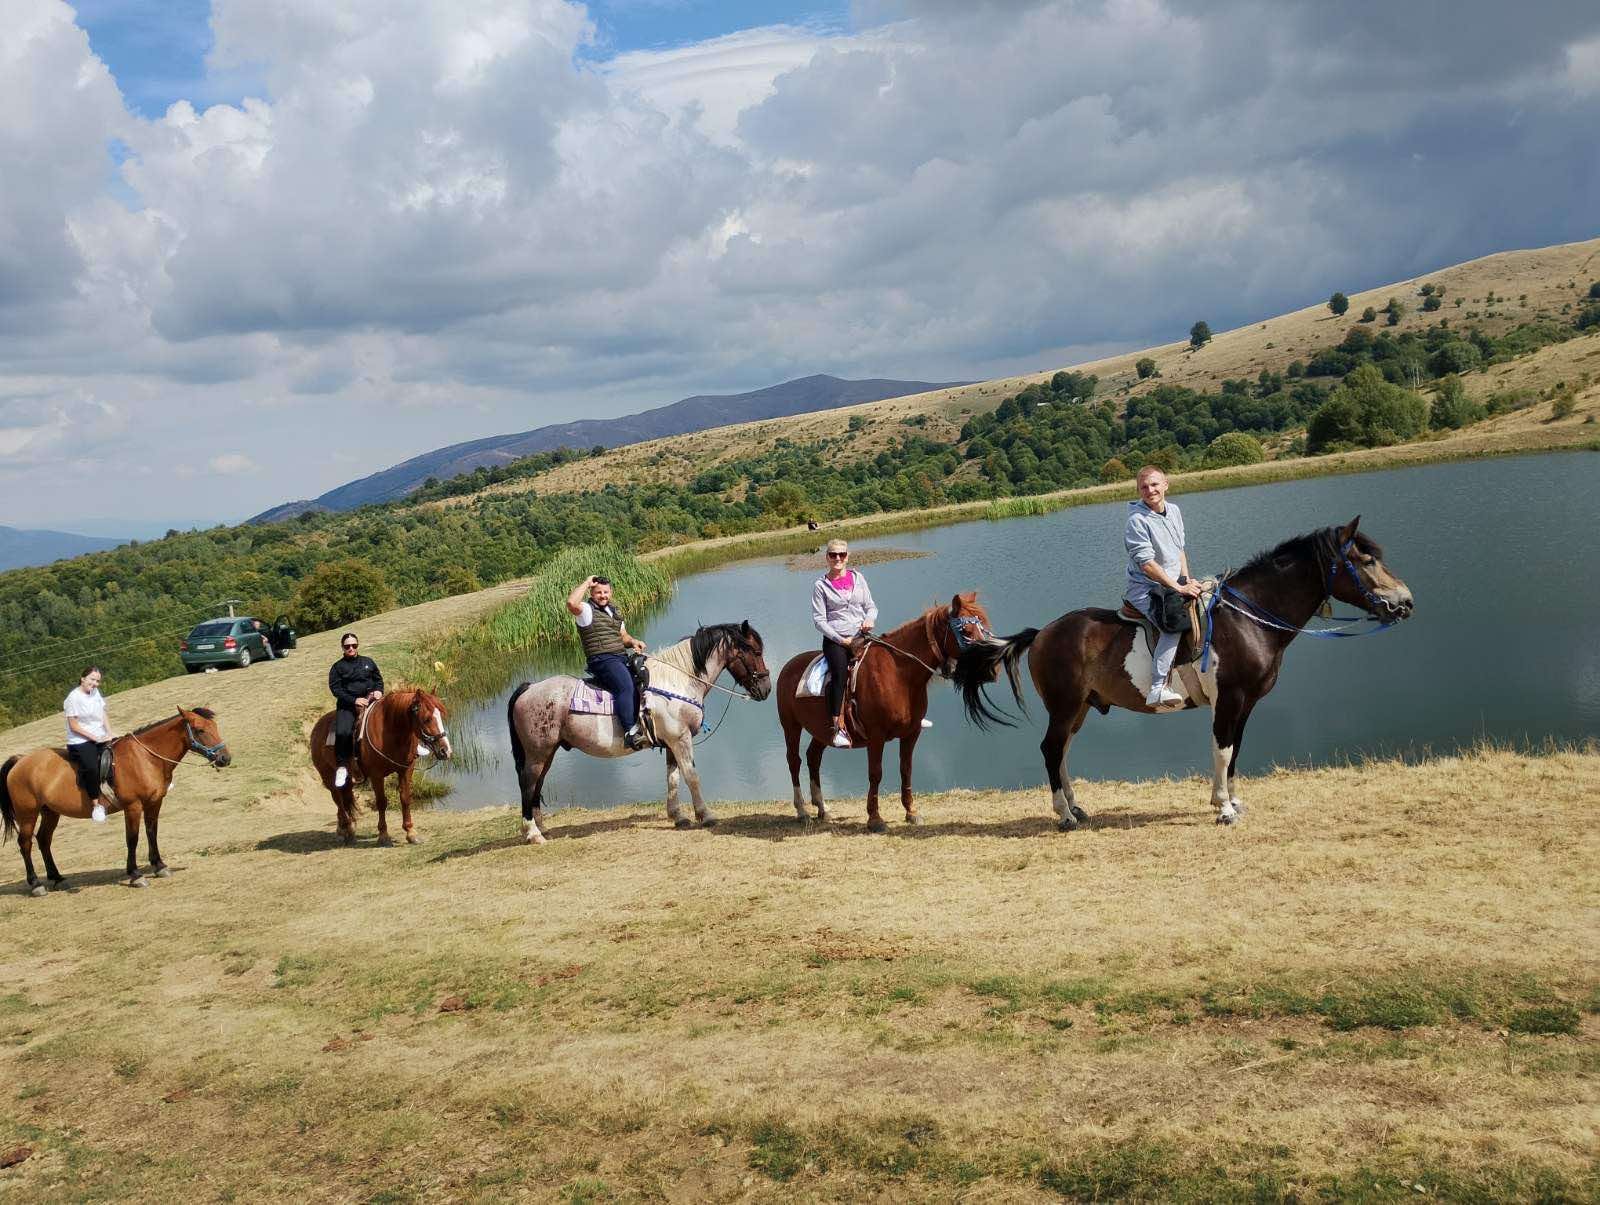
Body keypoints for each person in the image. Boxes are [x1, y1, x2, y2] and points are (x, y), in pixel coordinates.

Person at [1124, 465, 1202, 706]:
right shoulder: (1136, 521)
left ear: (1166, 484)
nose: (1150, 490)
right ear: (1139, 491)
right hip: (1147, 588)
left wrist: (1186, 580)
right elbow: (1147, 564)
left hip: (1172, 583)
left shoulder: (1174, 511)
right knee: (1174, 624)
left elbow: (1179, 550)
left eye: (1155, 484)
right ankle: (1158, 687)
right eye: (1144, 487)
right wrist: (1178, 589)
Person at [567, 575, 650, 750]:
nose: (603, 595)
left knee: (643, 677)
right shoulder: (586, 611)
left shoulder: (614, 611)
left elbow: (623, 637)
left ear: (611, 592)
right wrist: (586, 582)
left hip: (619, 656)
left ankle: (644, 720)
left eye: (605, 592)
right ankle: (629, 732)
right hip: (602, 659)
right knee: (625, 686)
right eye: (598, 592)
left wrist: (634, 642)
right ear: (592, 593)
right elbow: (571, 604)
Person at [811, 539, 878, 747]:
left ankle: (904, 714)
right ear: (827, 558)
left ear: (847, 556)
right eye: (833, 555)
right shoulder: (820, 586)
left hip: (861, 635)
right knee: (839, 673)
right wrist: (842, 640)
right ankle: (838, 727)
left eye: (841, 554)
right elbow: (819, 621)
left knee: (886, 662)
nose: (838, 558)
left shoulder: (859, 578)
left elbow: (871, 606)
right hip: (836, 640)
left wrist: (870, 619)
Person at [328, 632, 384, 787]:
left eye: (354, 645)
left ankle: (413, 748)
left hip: (372, 700)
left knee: (394, 716)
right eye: (347, 646)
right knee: (343, 732)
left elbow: (378, 680)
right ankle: (342, 766)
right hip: (348, 705)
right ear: (343, 648)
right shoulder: (337, 667)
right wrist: (354, 700)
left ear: (358, 645)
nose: (351, 648)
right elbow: (336, 689)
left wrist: (379, 691)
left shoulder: (368, 662)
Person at [64, 665, 115, 822]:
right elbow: (74, 726)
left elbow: (102, 713)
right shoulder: (72, 698)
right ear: (83, 678)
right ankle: (96, 805)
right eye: (92, 679)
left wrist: (110, 732)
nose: (95, 683)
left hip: (99, 735)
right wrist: (94, 737)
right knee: (92, 767)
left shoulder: (95, 693)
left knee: (124, 751)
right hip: (80, 741)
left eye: (98, 681)